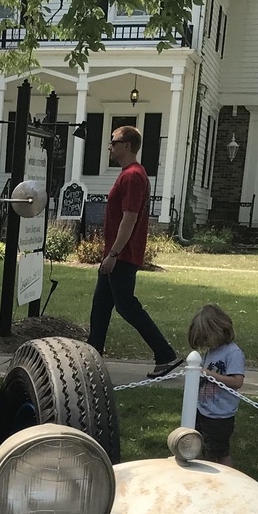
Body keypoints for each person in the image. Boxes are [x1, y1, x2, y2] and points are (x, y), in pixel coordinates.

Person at [87, 125, 181, 376]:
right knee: (100, 307)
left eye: (113, 142)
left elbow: (129, 218)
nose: (110, 146)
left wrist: (114, 254)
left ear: (127, 145)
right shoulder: (132, 174)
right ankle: (92, 357)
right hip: (118, 255)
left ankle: (166, 355)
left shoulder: (133, 176)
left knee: (126, 306)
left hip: (123, 256)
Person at [189, 304, 245, 466]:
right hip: (204, 410)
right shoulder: (212, 350)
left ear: (219, 329)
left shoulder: (233, 353)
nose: (205, 343)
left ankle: (228, 480)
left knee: (219, 452)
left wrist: (210, 375)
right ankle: (208, 475)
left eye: (206, 338)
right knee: (203, 448)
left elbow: (237, 381)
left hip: (220, 415)